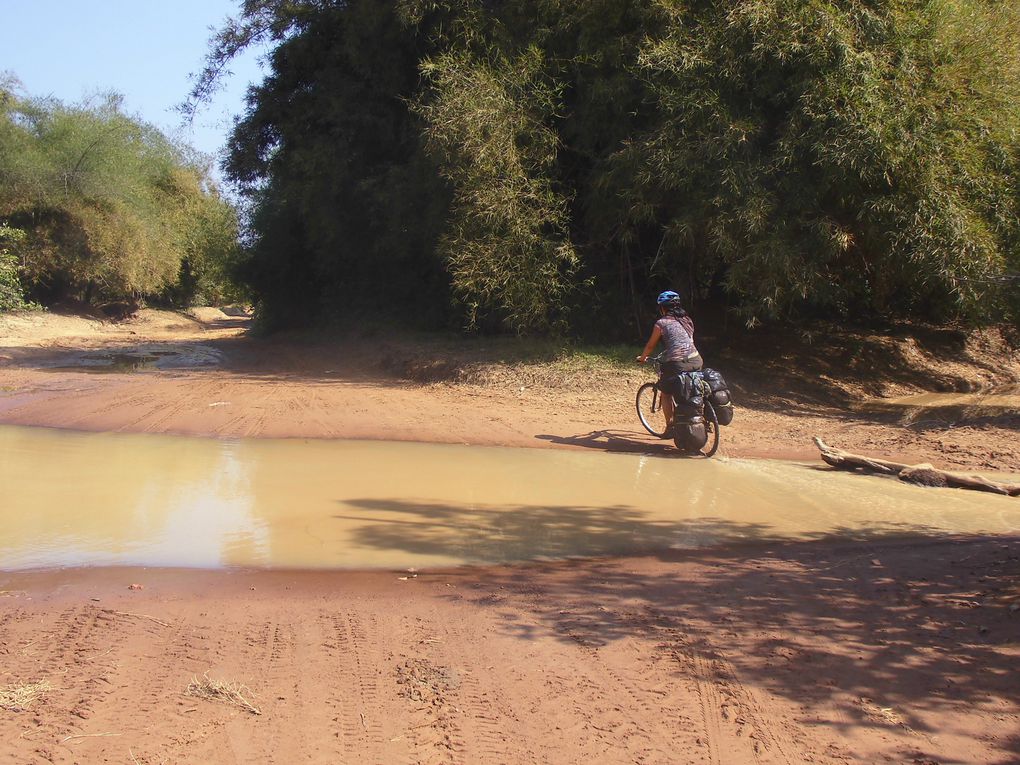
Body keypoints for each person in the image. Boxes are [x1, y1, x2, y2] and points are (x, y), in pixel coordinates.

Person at [636, 290, 703, 435]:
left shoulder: (661, 323)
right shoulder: (687, 320)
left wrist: (642, 358)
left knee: (666, 393)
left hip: (678, 363)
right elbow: (687, 341)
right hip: (696, 359)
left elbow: (650, 346)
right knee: (692, 387)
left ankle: (670, 427)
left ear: (662, 308)